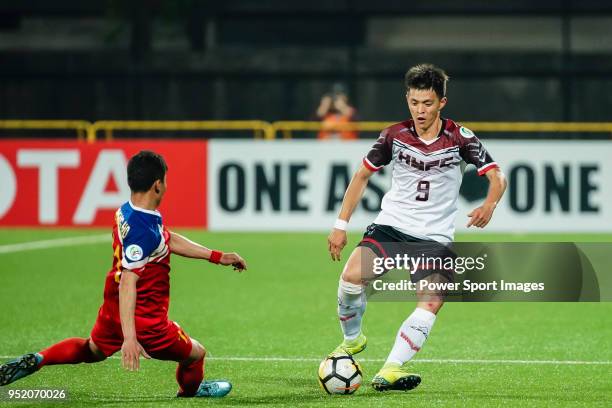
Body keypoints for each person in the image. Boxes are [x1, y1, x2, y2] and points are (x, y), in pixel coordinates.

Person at [0, 150, 247, 398]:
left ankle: (41, 358)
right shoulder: (144, 230)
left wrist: (217, 256)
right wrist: (131, 338)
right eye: (166, 180)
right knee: (197, 355)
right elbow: (130, 281)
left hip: (114, 308)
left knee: (92, 349)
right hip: (146, 319)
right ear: (157, 184)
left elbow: (165, 238)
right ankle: (191, 390)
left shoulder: (127, 212)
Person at [326, 64, 507, 391]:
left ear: (442, 102)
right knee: (350, 280)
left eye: (427, 103)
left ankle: (391, 369)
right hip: (392, 226)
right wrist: (340, 225)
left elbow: (497, 177)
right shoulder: (394, 135)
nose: (420, 110)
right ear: (407, 100)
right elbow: (361, 176)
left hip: (434, 237)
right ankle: (352, 341)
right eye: (414, 103)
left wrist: (489, 204)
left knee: (432, 300)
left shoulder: (460, 137)